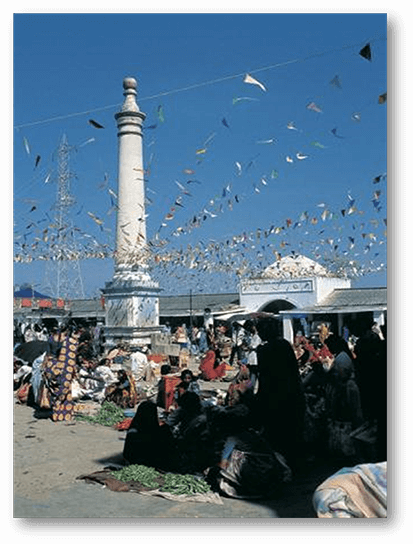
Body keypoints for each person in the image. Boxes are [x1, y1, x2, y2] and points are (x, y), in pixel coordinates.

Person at [255, 318, 306, 472]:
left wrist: (260, 400)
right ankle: (295, 465)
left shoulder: (265, 351)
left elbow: (265, 379)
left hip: (276, 398)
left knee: (278, 434)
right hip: (292, 395)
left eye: (261, 331)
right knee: (292, 433)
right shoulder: (284, 345)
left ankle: (282, 467)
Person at [123, 400, 178, 471]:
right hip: (147, 462)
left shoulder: (134, 428)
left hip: (140, 462)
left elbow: (126, 455)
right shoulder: (157, 431)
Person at [42, 323, 80, 422]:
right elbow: (71, 356)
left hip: (52, 366)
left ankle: (56, 412)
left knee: (55, 388)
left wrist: (45, 365)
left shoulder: (51, 338)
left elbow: (48, 353)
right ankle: (63, 413)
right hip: (64, 367)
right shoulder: (69, 341)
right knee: (65, 389)